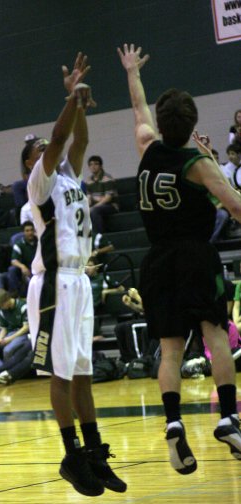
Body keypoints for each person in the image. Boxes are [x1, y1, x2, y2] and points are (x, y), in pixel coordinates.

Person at [118, 42, 241, 472]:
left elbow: (138, 111)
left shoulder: (147, 147)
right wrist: (209, 159)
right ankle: (228, 417)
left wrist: (132, 71)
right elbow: (236, 207)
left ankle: (173, 424)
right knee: (217, 335)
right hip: (193, 257)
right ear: (192, 126)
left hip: (157, 262)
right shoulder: (198, 163)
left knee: (169, 352)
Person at [24, 52, 126, 498]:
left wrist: (82, 104)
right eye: (42, 152)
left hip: (78, 282)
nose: (52, 153)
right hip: (53, 285)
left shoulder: (71, 180)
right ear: (33, 162)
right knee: (61, 375)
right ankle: (71, 456)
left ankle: (93, 451)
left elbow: (77, 142)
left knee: (82, 371)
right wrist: (69, 100)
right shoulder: (39, 184)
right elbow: (61, 136)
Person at [82, 155, 119, 233]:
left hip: (111, 206)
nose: (93, 166)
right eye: (91, 164)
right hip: (97, 206)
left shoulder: (107, 178)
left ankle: (99, 236)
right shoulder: (89, 180)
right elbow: (89, 198)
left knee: (94, 211)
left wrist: (93, 206)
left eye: (96, 164)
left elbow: (108, 198)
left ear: (101, 166)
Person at [8, 221, 37, 297]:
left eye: (31, 230)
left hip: (39, 268)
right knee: (12, 270)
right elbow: (13, 261)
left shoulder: (40, 241)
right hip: (26, 269)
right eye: (27, 231)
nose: (30, 233)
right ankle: (16, 296)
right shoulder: (19, 244)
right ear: (23, 232)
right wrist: (22, 266)